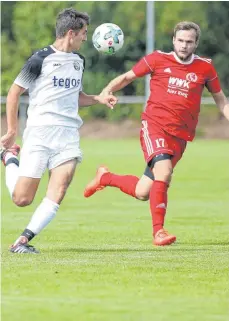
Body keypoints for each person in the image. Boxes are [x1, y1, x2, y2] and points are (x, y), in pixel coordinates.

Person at [84, 21, 229, 246]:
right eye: (180, 41)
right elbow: (128, 77)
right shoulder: (157, 59)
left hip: (181, 137)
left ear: (196, 44)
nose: (184, 46)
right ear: (173, 40)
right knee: (165, 170)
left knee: (143, 192)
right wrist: (107, 90)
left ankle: (105, 177)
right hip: (155, 126)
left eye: (189, 42)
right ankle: (158, 232)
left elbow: (221, 100)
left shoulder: (205, 68)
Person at [1, 8, 117, 254]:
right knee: (22, 199)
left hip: (68, 135)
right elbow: (13, 93)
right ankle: (9, 158)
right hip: (40, 133)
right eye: (84, 33)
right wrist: (12, 130)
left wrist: (99, 98)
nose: (86, 38)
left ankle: (23, 240)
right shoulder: (39, 59)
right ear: (71, 33)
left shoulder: (79, 61)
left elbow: (75, 97)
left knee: (60, 188)